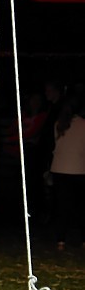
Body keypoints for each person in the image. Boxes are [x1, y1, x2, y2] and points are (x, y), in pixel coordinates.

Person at [49, 96, 85, 251]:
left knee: (62, 206)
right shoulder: (83, 125)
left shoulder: (59, 124)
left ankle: (61, 240)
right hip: (79, 169)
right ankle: (84, 240)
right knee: (81, 206)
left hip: (60, 169)